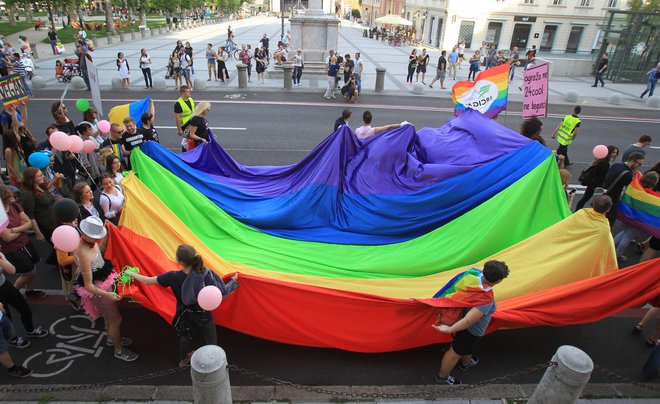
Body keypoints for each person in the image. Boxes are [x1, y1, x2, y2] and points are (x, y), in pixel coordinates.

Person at [126, 244, 239, 367]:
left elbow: (147, 281)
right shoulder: (204, 273)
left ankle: (183, 360)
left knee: (185, 337)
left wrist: (131, 274)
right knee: (211, 339)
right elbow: (220, 292)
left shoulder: (172, 276)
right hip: (204, 313)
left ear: (179, 261)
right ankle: (215, 363)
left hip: (185, 314)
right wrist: (233, 280)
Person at [433, 260, 509, 385]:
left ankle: (466, 363)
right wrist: (449, 330)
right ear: (499, 280)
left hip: (462, 322)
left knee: (468, 346)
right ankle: (442, 377)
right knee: (455, 353)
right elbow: (469, 320)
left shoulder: (473, 274)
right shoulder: (485, 298)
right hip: (471, 330)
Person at [74, 216, 138, 362]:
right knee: (115, 319)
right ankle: (118, 350)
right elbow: (89, 285)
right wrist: (108, 294)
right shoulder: (83, 253)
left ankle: (111, 338)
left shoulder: (90, 243)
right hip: (100, 292)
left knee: (109, 318)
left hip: (104, 284)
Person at [0, 185, 47, 300]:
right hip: (13, 250)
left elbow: (29, 223)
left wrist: (14, 229)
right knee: (29, 272)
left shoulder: (15, 206)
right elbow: (7, 238)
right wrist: (22, 227)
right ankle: (12, 294)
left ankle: (29, 291)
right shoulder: (1, 215)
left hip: (25, 243)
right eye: (10, 194)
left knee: (32, 270)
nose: (14, 196)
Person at [613, 171, 659, 262]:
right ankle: (618, 254)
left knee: (623, 232)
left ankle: (610, 248)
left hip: (627, 215)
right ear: (654, 183)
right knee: (628, 236)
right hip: (638, 219)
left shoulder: (636, 187)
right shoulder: (651, 196)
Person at [603, 152, 645, 227]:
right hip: (613, 201)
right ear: (632, 162)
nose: (639, 166)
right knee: (608, 223)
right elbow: (630, 189)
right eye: (639, 164)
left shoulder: (616, 165)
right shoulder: (628, 174)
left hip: (603, 196)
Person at [574, 146, 615, 211]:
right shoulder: (605, 163)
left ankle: (577, 210)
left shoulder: (599, 160)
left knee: (585, 198)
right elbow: (602, 176)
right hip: (597, 184)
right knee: (596, 200)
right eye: (614, 152)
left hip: (591, 183)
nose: (615, 154)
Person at [174, 86, 195, 150]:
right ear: (183, 93)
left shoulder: (191, 99)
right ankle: (185, 153)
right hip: (185, 124)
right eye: (188, 92)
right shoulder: (178, 103)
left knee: (192, 139)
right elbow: (177, 117)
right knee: (189, 139)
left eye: (189, 91)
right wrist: (179, 129)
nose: (189, 93)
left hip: (192, 121)